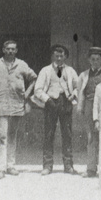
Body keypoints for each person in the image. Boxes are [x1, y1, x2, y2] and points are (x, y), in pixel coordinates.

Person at [0, 39, 38, 179]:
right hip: (1, 105)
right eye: (8, 49)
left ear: (16, 51)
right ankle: (0, 168)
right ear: (3, 50)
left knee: (12, 136)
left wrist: (27, 93)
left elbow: (34, 78)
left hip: (17, 105)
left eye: (13, 49)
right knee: (2, 136)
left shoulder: (21, 65)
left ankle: (11, 166)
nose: (10, 51)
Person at [33, 44, 80, 175]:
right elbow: (37, 89)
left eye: (61, 55)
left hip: (66, 103)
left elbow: (78, 86)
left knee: (67, 134)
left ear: (65, 56)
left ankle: (68, 166)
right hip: (50, 102)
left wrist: (73, 94)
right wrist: (47, 99)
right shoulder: (45, 70)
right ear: (53, 56)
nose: (59, 58)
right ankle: (47, 166)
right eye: (56, 55)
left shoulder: (70, 71)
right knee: (48, 134)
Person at [75, 46, 101, 178]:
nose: (95, 61)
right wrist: (80, 107)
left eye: (97, 59)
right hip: (89, 107)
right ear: (89, 60)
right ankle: (91, 169)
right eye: (92, 59)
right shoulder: (84, 75)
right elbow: (80, 92)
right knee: (91, 138)